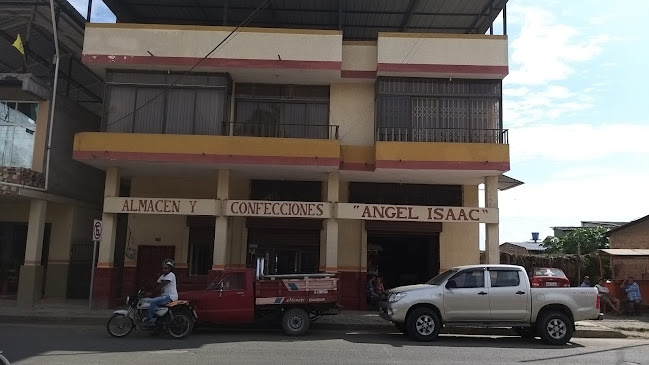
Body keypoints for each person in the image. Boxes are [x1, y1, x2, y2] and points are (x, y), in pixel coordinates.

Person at [143, 258, 178, 327]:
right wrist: (145, 287)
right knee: (146, 301)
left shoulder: (171, 275)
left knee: (153, 301)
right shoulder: (162, 276)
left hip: (170, 297)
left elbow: (161, 285)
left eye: (166, 268)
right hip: (164, 296)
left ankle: (148, 321)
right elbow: (155, 284)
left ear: (170, 268)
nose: (164, 270)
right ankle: (157, 322)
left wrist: (151, 293)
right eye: (163, 268)